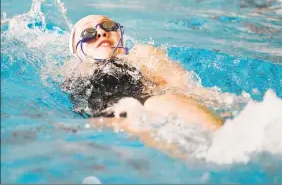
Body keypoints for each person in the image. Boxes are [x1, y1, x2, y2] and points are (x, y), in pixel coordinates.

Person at [62, 15, 225, 156]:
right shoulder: (69, 71)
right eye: (88, 33)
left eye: (108, 25)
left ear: (119, 34)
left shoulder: (140, 54)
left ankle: (226, 141)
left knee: (161, 103)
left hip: (145, 105)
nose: (101, 32)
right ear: (75, 50)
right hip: (105, 124)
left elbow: (184, 87)